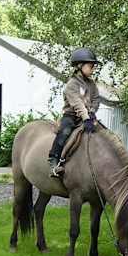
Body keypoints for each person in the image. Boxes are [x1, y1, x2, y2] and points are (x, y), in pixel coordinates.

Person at [48, 48, 101, 177]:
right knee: (64, 133)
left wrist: (92, 112)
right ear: (80, 66)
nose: (93, 69)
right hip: (72, 116)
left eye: (93, 66)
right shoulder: (71, 84)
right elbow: (77, 103)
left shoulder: (91, 83)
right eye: (91, 66)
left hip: (88, 116)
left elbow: (96, 98)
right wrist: (86, 118)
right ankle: (54, 161)